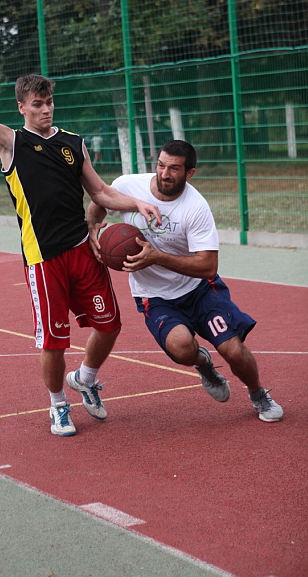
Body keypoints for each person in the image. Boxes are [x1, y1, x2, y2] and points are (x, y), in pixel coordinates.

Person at [0, 15, 162, 437]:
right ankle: (57, 405)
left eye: (49, 102)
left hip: (83, 249)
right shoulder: (10, 142)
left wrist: (138, 202)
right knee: (53, 341)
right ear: (22, 107)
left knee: (110, 326)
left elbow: (100, 192)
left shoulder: (73, 143)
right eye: (37, 104)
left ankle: (85, 379)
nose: (46, 109)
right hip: (43, 258)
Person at [87, 139, 283, 423]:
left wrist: (157, 257)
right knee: (181, 349)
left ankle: (258, 393)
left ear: (189, 173)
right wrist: (92, 228)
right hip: (154, 295)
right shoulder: (128, 185)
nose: (164, 174)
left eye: (174, 169)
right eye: (161, 165)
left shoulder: (195, 207)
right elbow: (99, 202)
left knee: (233, 351)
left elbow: (208, 267)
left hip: (198, 290)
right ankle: (203, 363)